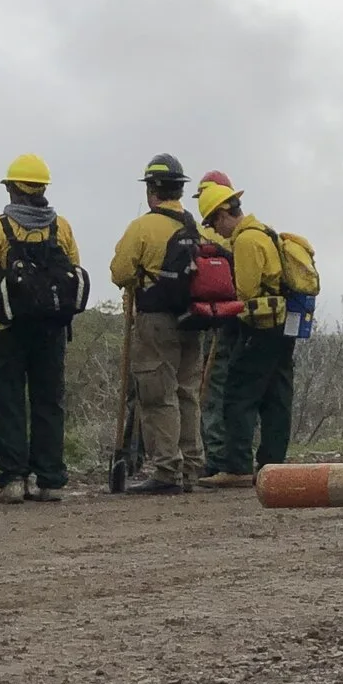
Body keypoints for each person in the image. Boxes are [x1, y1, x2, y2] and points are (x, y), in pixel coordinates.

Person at [0, 153, 83, 504]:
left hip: (7, 329)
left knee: (7, 402)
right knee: (49, 401)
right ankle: (49, 480)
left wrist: (8, 300)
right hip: (52, 330)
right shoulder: (60, 227)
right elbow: (74, 267)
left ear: (14, 189)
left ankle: (14, 480)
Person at [195, 181, 307, 488]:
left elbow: (244, 290)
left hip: (258, 328)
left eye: (213, 222)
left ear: (222, 214)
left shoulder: (245, 241)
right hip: (283, 326)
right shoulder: (266, 232)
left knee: (238, 396)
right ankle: (273, 464)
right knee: (277, 397)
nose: (215, 230)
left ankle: (237, 466)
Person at [110, 152, 202, 494]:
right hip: (192, 320)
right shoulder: (196, 227)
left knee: (158, 394)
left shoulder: (142, 227)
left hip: (156, 321)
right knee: (187, 393)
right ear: (178, 190)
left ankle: (166, 470)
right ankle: (191, 467)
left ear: (152, 189)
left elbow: (120, 272)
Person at [195, 167, 238, 478]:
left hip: (216, 322)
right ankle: (237, 455)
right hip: (244, 322)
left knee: (213, 390)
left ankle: (217, 459)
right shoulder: (253, 233)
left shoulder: (206, 235)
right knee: (239, 391)